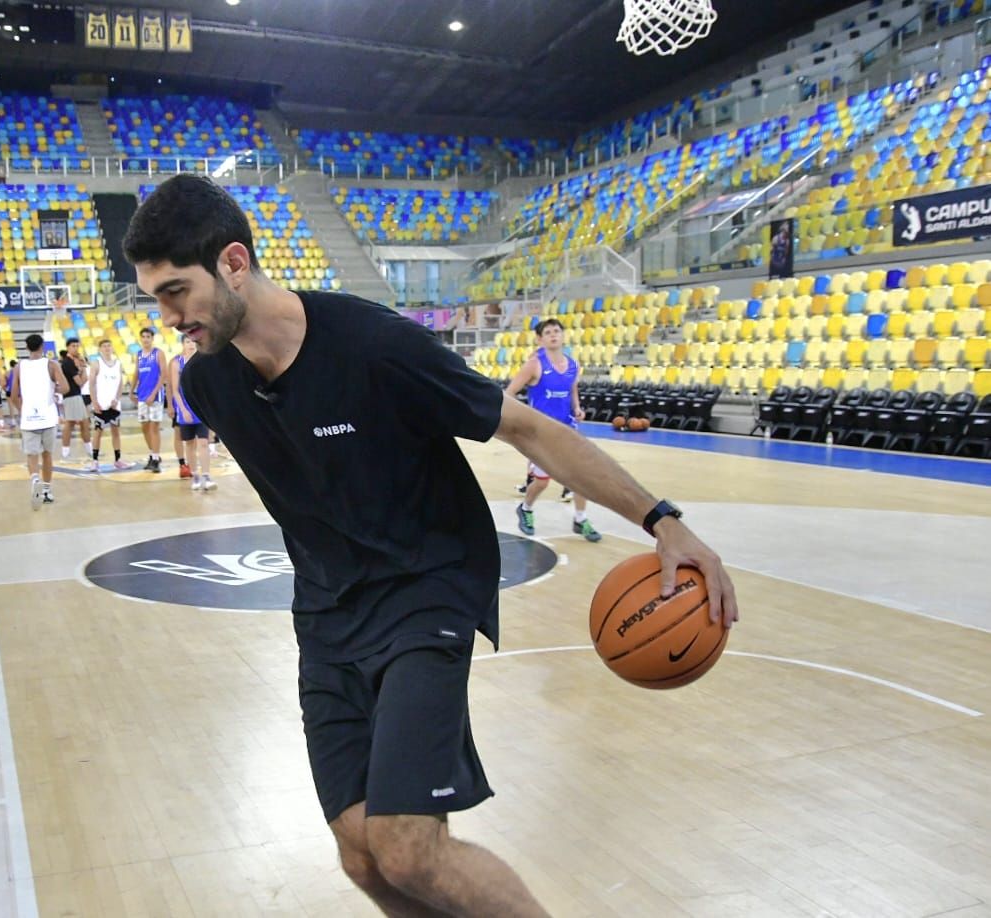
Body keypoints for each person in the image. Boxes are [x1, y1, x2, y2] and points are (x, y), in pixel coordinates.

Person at [124, 175, 739, 918]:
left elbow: (531, 431)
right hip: (325, 613)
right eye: (154, 298)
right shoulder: (210, 383)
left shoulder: (374, 345)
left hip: (426, 588)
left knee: (410, 845)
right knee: (362, 853)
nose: (166, 317)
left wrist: (661, 519)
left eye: (174, 292)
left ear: (232, 263)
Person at [505, 318, 601, 543]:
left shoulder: (573, 364)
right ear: (540, 339)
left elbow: (572, 389)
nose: (553, 335)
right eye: (548, 332)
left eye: (556, 331)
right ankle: (526, 508)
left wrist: (577, 407)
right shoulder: (534, 364)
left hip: (568, 429)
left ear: (563, 335)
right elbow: (509, 393)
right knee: (542, 482)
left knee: (581, 477)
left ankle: (580, 518)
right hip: (541, 434)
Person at [11, 333, 67, 509]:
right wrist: (54, 388)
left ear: (26, 347)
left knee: (31, 455)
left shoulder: (19, 367)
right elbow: (65, 387)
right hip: (48, 417)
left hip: (29, 418)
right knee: (47, 454)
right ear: (42, 346)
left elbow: (13, 395)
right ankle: (47, 491)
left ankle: (35, 478)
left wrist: (23, 410)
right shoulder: (51, 364)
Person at [168, 336, 214, 489]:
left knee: (203, 442)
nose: (191, 344)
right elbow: (175, 390)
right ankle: (195, 475)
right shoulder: (177, 363)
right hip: (185, 410)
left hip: (200, 410)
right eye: (187, 342)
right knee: (189, 444)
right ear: (182, 344)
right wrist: (182, 409)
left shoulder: (202, 361)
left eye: (193, 341)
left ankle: (206, 476)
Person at [86, 338, 133, 472]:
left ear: (112, 348)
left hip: (114, 404)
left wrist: (117, 399)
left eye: (109, 346)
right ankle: (94, 460)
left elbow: (120, 384)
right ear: (100, 349)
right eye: (104, 346)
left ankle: (118, 460)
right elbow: (91, 384)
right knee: (98, 432)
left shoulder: (118, 364)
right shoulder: (96, 364)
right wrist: (94, 401)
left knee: (116, 432)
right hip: (101, 403)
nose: (107, 348)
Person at [133, 327, 168, 472]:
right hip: (142, 395)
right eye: (143, 337)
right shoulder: (139, 354)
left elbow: (163, 374)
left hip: (156, 396)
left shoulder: (158, 353)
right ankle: (153, 454)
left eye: (148, 336)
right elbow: (136, 372)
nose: (146, 339)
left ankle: (155, 458)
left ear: (152, 339)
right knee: (144, 427)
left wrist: (154, 393)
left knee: (154, 427)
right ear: (140, 339)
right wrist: (132, 390)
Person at [58, 337, 89, 459]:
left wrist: (82, 367)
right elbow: (81, 382)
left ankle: (88, 449)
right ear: (68, 347)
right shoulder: (67, 363)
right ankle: (66, 451)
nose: (76, 348)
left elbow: (82, 380)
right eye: (73, 346)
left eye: (77, 346)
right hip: (71, 395)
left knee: (83, 423)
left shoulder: (73, 362)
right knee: (71, 423)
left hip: (76, 395)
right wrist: (84, 368)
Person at [5, 359, 19, 428]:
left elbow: (4, 383)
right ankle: (22, 421)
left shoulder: (7, 372)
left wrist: (5, 389)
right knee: (19, 407)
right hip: (17, 390)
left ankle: (13, 422)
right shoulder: (18, 372)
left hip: (9, 391)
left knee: (11, 407)